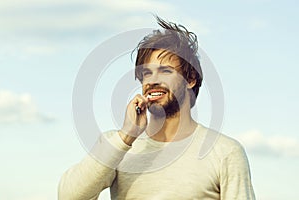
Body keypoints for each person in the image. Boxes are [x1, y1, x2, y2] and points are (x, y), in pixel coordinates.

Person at [58, 16, 255, 200]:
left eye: (166, 71)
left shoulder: (225, 151)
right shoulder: (117, 145)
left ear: (191, 80)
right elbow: (68, 196)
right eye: (146, 73)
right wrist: (126, 136)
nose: (153, 81)